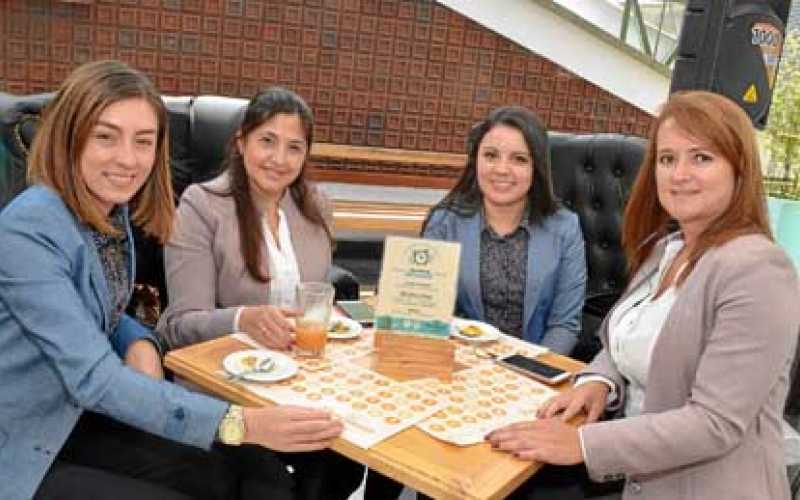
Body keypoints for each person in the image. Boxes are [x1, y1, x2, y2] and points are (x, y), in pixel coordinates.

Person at [0, 60, 346, 500]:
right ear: (69, 137)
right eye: (106, 136)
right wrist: (240, 422)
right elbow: (94, 377)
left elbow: (94, 304)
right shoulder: (28, 228)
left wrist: (135, 338)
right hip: (27, 441)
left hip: (81, 416)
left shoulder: (109, 212)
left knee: (260, 475)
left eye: (143, 142)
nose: (128, 159)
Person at [487, 90, 800, 500]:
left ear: (740, 171)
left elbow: (714, 423)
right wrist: (599, 380)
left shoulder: (759, 270)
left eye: (701, 158)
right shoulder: (664, 248)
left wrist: (582, 445)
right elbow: (621, 343)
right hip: (637, 481)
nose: (679, 174)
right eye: (667, 159)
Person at [156, 87, 362, 499]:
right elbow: (178, 325)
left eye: (294, 147)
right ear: (240, 142)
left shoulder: (316, 206)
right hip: (225, 390)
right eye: (267, 141)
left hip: (299, 382)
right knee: (269, 483)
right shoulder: (201, 205)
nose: (279, 159)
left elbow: (312, 293)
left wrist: (332, 314)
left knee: (348, 462)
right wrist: (242, 319)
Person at [421, 105, 586, 355]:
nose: (501, 169)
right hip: (459, 363)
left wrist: (535, 372)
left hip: (536, 366)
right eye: (491, 155)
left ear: (536, 168)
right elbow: (428, 310)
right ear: (476, 160)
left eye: (519, 159)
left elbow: (564, 325)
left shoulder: (565, 228)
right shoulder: (444, 223)